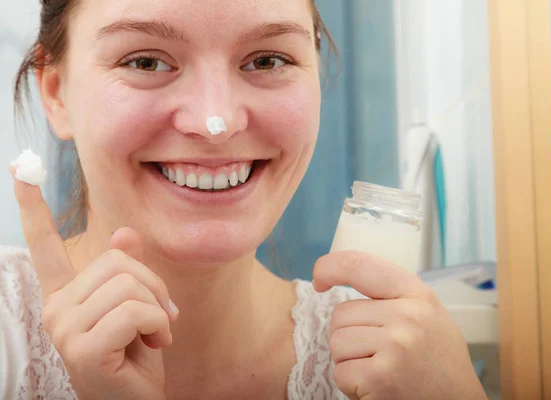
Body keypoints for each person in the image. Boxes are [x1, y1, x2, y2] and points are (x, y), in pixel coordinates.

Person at [0, 0, 488, 399]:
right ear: (57, 93)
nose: (217, 122)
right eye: (145, 61)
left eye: (267, 60)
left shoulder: (401, 366)